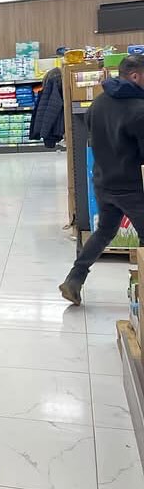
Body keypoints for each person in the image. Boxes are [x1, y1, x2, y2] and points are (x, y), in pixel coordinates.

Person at [60, 54, 144, 305]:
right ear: (135, 76)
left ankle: (74, 279)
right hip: (131, 186)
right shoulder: (139, 110)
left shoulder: (97, 103)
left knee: (105, 231)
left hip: (103, 181)